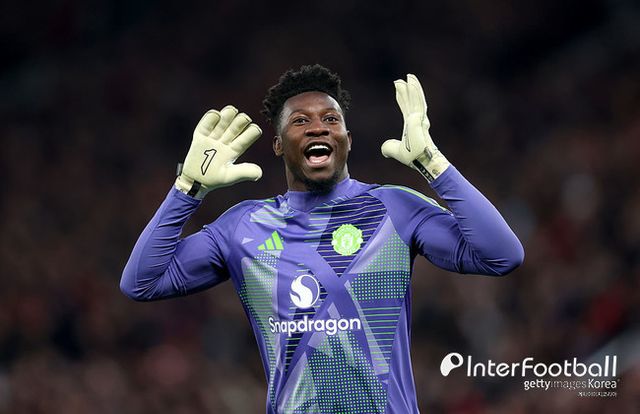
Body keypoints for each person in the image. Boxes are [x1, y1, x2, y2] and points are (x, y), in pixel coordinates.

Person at [121, 64, 524, 413]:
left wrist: (432, 162)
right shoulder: (243, 227)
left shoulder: (394, 208)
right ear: (278, 145)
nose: (318, 127)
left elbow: (502, 255)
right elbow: (141, 282)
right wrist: (188, 188)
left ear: (347, 139)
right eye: (300, 121)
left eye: (331, 119)